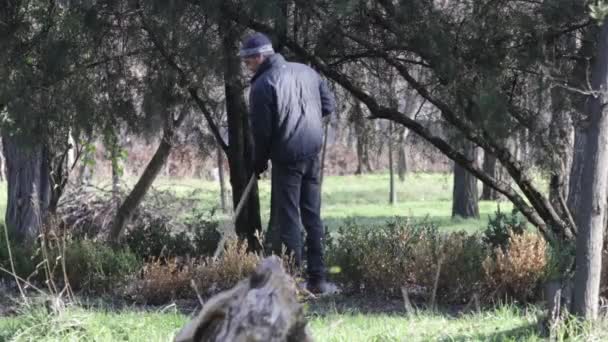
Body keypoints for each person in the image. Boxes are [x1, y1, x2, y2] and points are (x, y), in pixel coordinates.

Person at [240, 32, 337, 294]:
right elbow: (328, 105)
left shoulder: (262, 86)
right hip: (312, 153)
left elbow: (262, 133)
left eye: (248, 61)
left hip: (287, 158)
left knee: (289, 218)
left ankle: (292, 283)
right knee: (312, 215)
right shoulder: (307, 72)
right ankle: (317, 280)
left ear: (260, 57)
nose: (246, 65)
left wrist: (258, 163)